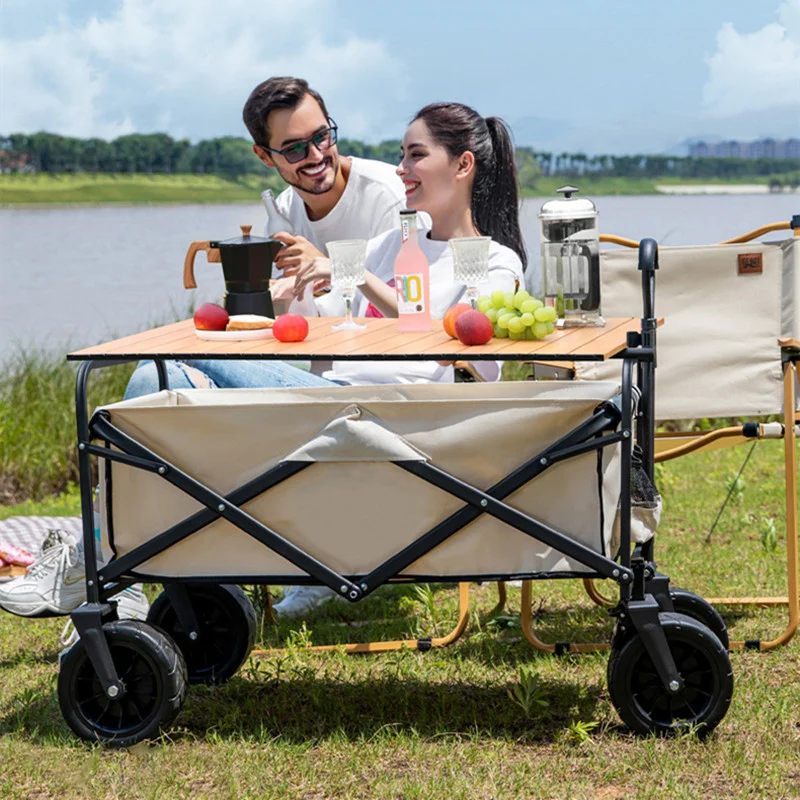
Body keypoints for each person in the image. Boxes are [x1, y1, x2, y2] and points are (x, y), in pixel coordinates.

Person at [126, 100, 527, 616]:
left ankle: (134, 579)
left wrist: (358, 275)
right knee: (154, 373)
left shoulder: (492, 260)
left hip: (392, 418)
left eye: (415, 156)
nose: (400, 170)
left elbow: (459, 343)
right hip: (334, 402)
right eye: (401, 156)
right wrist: (287, 295)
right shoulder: (391, 242)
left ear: (463, 165)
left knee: (162, 368)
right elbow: (337, 319)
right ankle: (155, 582)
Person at [125, 76, 411, 398]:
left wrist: (329, 268)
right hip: (315, 376)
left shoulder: (391, 199)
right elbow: (287, 325)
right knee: (154, 375)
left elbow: (407, 321)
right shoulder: (285, 210)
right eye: (294, 150)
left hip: (365, 386)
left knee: (167, 358)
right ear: (264, 156)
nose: (316, 155)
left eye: (322, 137)